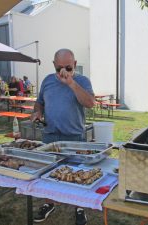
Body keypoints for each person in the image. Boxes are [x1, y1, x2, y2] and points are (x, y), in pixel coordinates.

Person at [31, 49, 95, 224]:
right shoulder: (47, 81)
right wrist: (38, 111)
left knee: (76, 174)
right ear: (53, 65)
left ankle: (79, 206)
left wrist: (71, 83)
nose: (63, 72)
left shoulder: (82, 81)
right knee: (48, 173)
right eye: (59, 68)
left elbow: (90, 103)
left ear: (74, 64)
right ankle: (49, 203)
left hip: (74, 137)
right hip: (50, 136)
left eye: (68, 67)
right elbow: (40, 102)